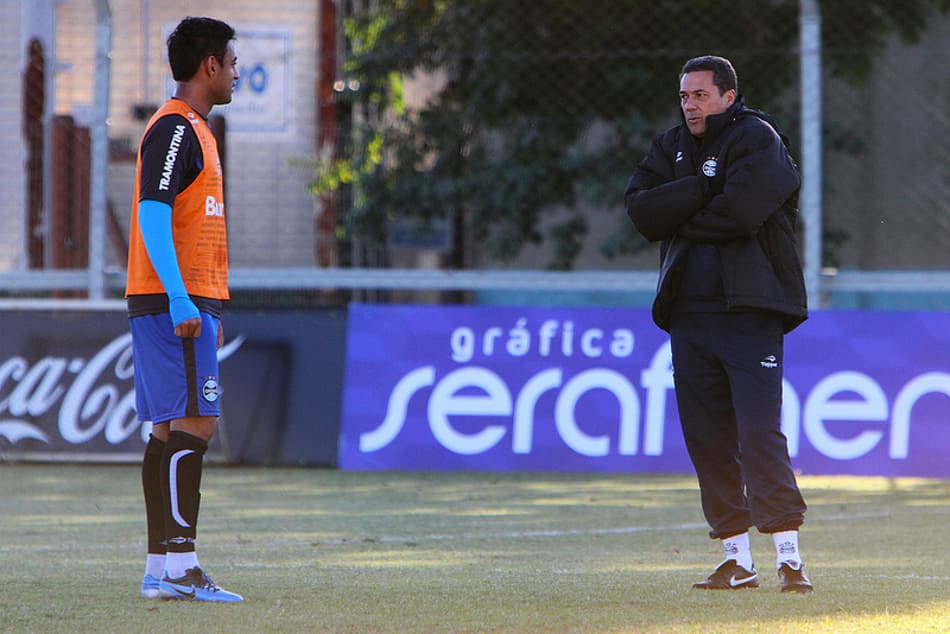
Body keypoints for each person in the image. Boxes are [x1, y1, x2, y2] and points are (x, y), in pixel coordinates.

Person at [624, 55, 813, 593]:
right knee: (707, 438)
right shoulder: (671, 146)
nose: (690, 105)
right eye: (685, 96)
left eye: (701, 95)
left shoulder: (758, 138)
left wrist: (681, 211)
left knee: (758, 434)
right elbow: (640, 211)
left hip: (749, 311)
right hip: (688, 313)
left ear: (729, 95)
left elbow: (742, 214)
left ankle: (790, 558)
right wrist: (701, 191)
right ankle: (736, 559)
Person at [126, 16, 242, 603]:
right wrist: (178, 295)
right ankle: (182, 567)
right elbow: (152, 211)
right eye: (232, 62)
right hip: (179, 299)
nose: (237, 73)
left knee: (170, 426)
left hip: (183, 297)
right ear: (210, 66)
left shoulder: (192, 128)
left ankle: (158, 567)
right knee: (196, 423)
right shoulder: (176, 128)